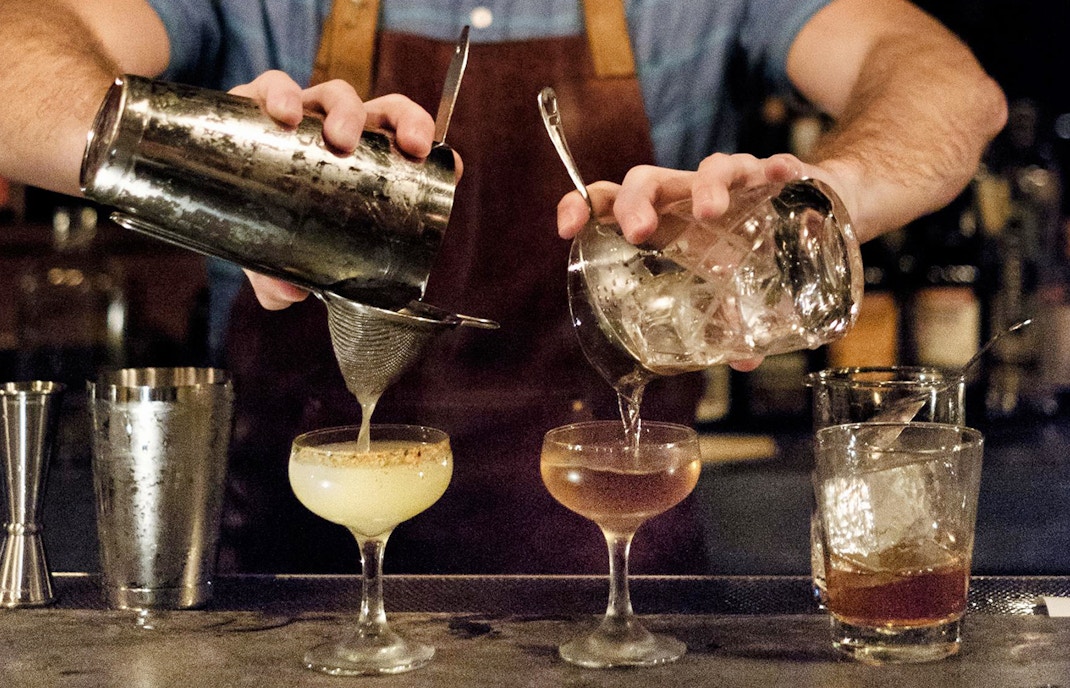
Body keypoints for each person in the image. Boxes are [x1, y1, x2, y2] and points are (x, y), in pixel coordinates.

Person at [0, 0, 1006, 575]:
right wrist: (209, 163)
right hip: (287, 590)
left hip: (618, 578)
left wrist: (817, 199)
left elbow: (943, 83)